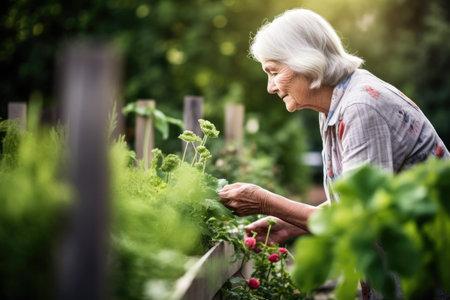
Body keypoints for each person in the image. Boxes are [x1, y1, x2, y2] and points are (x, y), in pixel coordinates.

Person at [218, 7, 450, 262]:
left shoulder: (360, 107)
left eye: (274, 72)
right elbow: (358, 200)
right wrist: (288, 225)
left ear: (304, 60)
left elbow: (359, 221)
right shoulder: (336, 104)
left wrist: (267, 202)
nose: (270, 87)